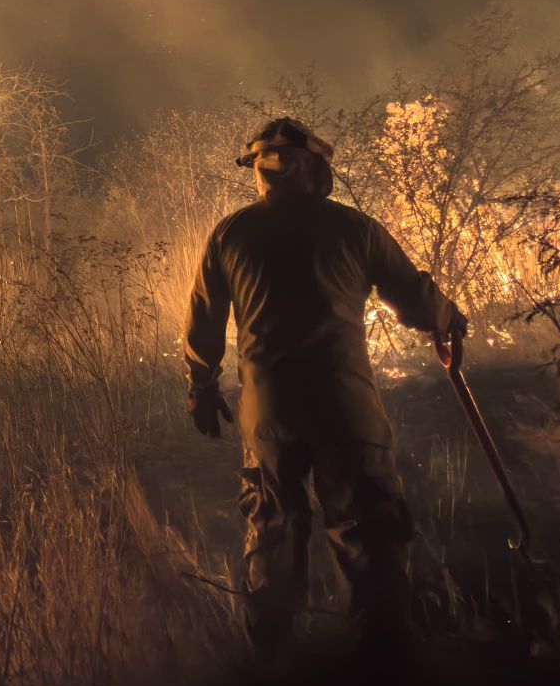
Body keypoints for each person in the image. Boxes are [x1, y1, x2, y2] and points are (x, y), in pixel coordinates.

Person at [185, 116, 467, 656]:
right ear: (318, 168)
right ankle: (381, 669)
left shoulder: (232, 232)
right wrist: (448, 318)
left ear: (261, 171)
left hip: (268, 408)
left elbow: (202, 321)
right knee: (370, 531)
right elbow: (413, 297)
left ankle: (273, 665)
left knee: (271, 528)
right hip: (345, 404)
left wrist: (201, 384)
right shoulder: (355, 229)